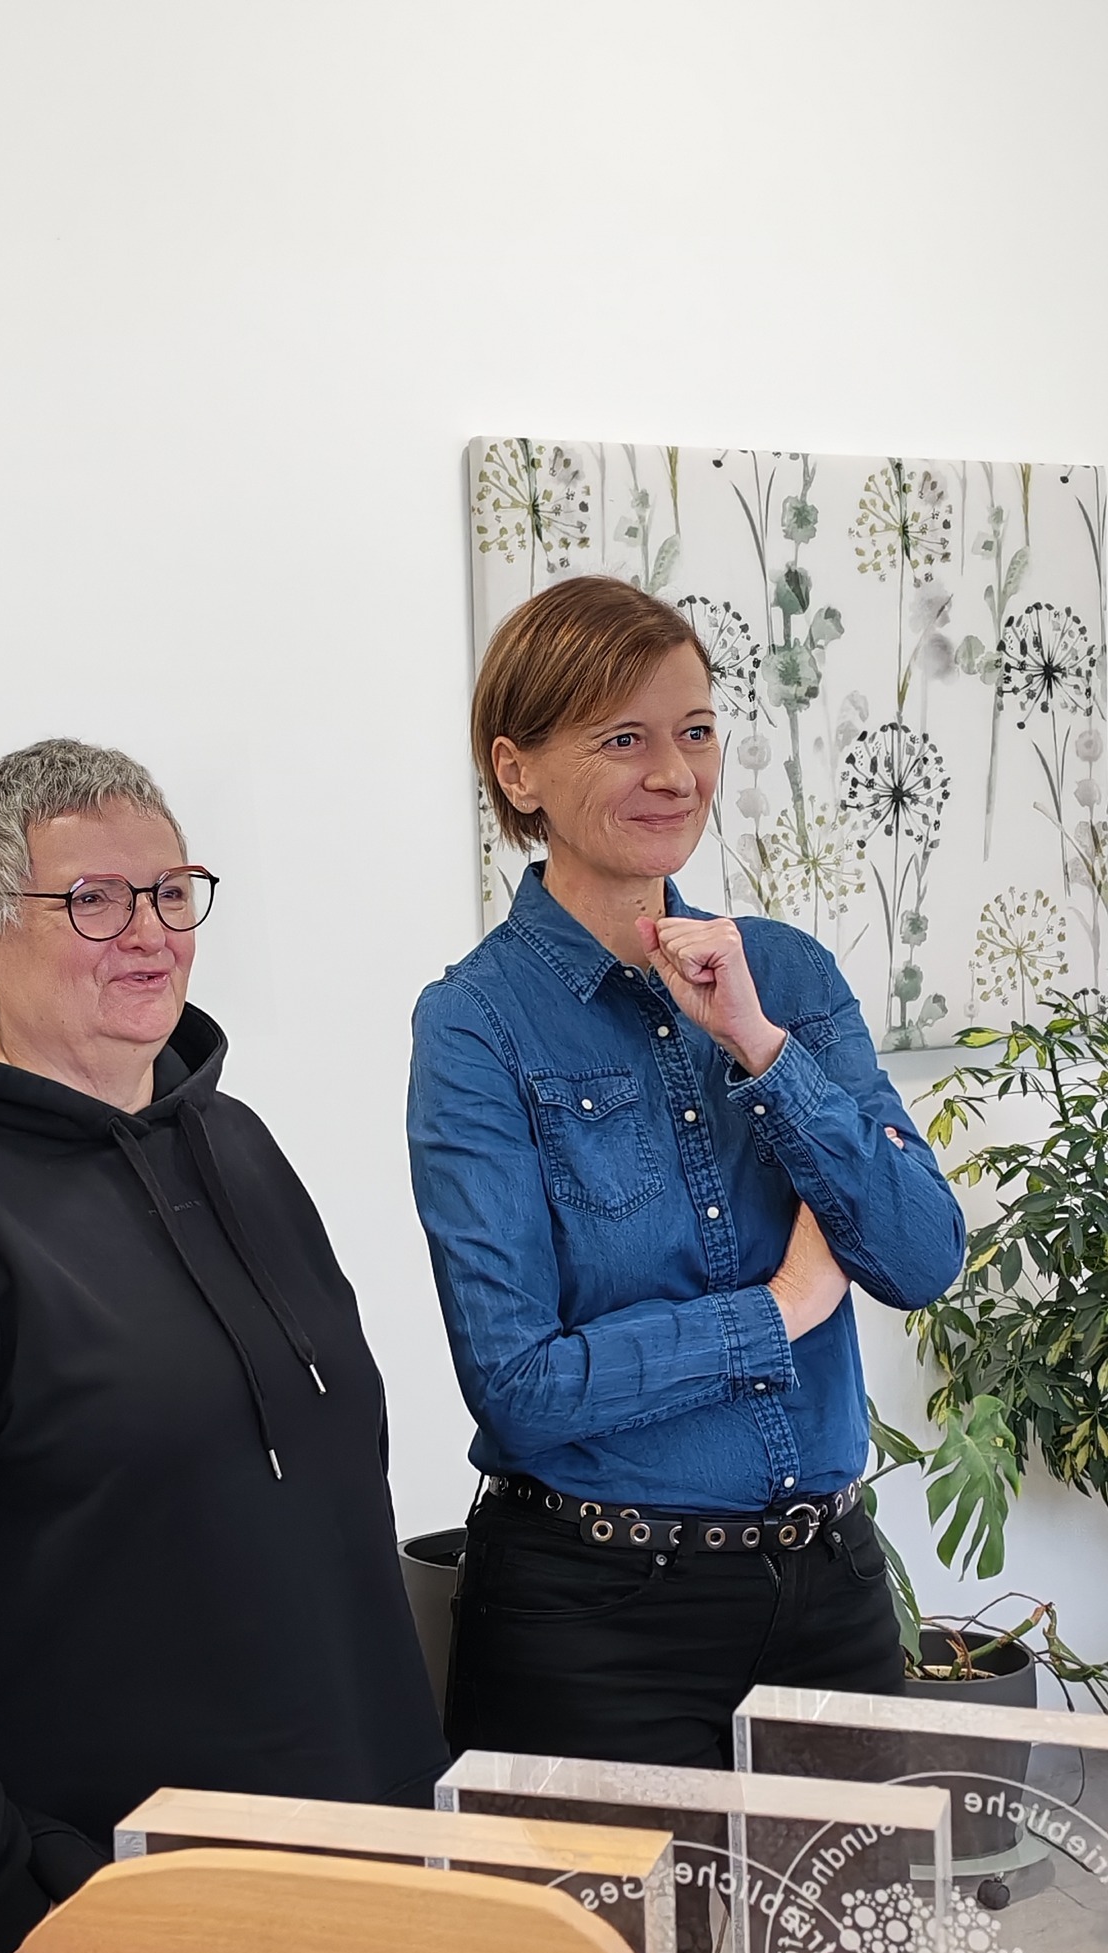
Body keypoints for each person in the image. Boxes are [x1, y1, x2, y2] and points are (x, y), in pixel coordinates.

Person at [0, 738, 446, 1953]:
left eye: (172, 892)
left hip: (360, 1867)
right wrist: (8, 1925)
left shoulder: (236, 1143)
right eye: (93, 899)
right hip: (101, 1921)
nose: (151, 933)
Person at [407, 575, 967, 1775]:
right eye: (624, 738)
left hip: (831, 1600)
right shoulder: (475, 1025)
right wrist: (785, 1308)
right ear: (518, 771)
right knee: (602, 1919)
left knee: (855, 1910)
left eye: (697, 730)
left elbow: (922, 1255)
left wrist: (762, 1047)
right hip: (590, 1619)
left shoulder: (790, 977)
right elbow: (521, 1385)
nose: (675, 773)